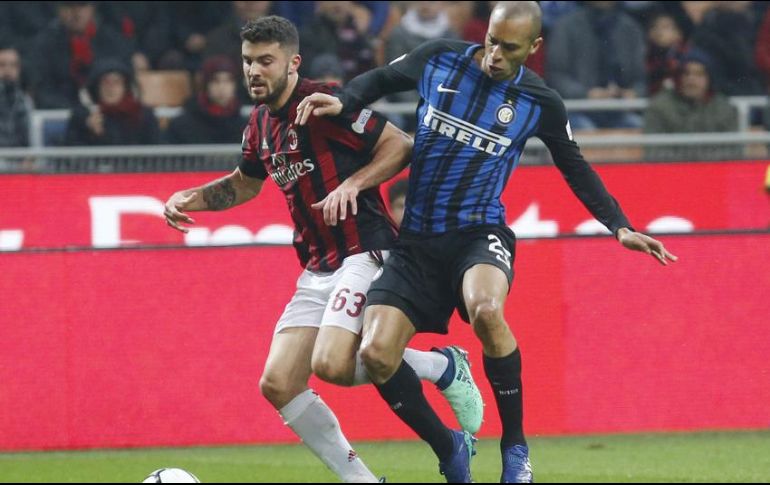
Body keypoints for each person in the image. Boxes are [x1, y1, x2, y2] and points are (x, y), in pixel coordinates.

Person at [296, 2, 678, 482]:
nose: (494, 54)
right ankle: (449, 445)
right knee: (375, 354)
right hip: (415, 242)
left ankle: (515, 447)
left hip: (479, 233)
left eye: (509, 47)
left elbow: (574, 164)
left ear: (534, 48)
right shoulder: (441, 58)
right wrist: (344, 100)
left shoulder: (540, 102)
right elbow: (379, 81)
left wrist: (618, 225)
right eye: (492, 41)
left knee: (487, 310)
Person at [163, 16, 483, 483]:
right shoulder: (259, 125)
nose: (254, 71)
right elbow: (244, 185)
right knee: (278, 383)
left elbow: (400, 145)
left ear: (292, 63)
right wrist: (191, 196)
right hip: (317, 266)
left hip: (365, 249)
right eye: (249, 61)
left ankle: (441, 366)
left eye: (266, 61)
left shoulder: (324, 103)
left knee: (332, 363)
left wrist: (352, 184)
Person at [643, 49, 740, 161]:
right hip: (672, 174)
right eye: (686, 73)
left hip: (714, 174)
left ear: (710, 79)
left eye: (699, 74)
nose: (691, 79)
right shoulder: (659, 107)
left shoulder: (725, 109)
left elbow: (733, 151)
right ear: (678, 77)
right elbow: (654, 152)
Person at [64, 58, 160, 147]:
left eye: (116, 82)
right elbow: (68, 155)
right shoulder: (83, 116)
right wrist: (90, 134)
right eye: (105, 82)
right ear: (97, 87)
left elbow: (158, 152)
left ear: (125, 87)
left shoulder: (143, 115)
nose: (110, 88)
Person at [165, 55, 248, 145]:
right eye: (215, 81)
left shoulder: (245, 127)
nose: (222, 87)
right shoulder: (181, 125)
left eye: (228, 81)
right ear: (205, 84)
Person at [0, 40, 32, 148]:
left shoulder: (25, 101)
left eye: (13, 65)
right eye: (2, 65)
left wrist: (29, 158)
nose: (7, 70)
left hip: (18, 161)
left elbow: (29, 141)